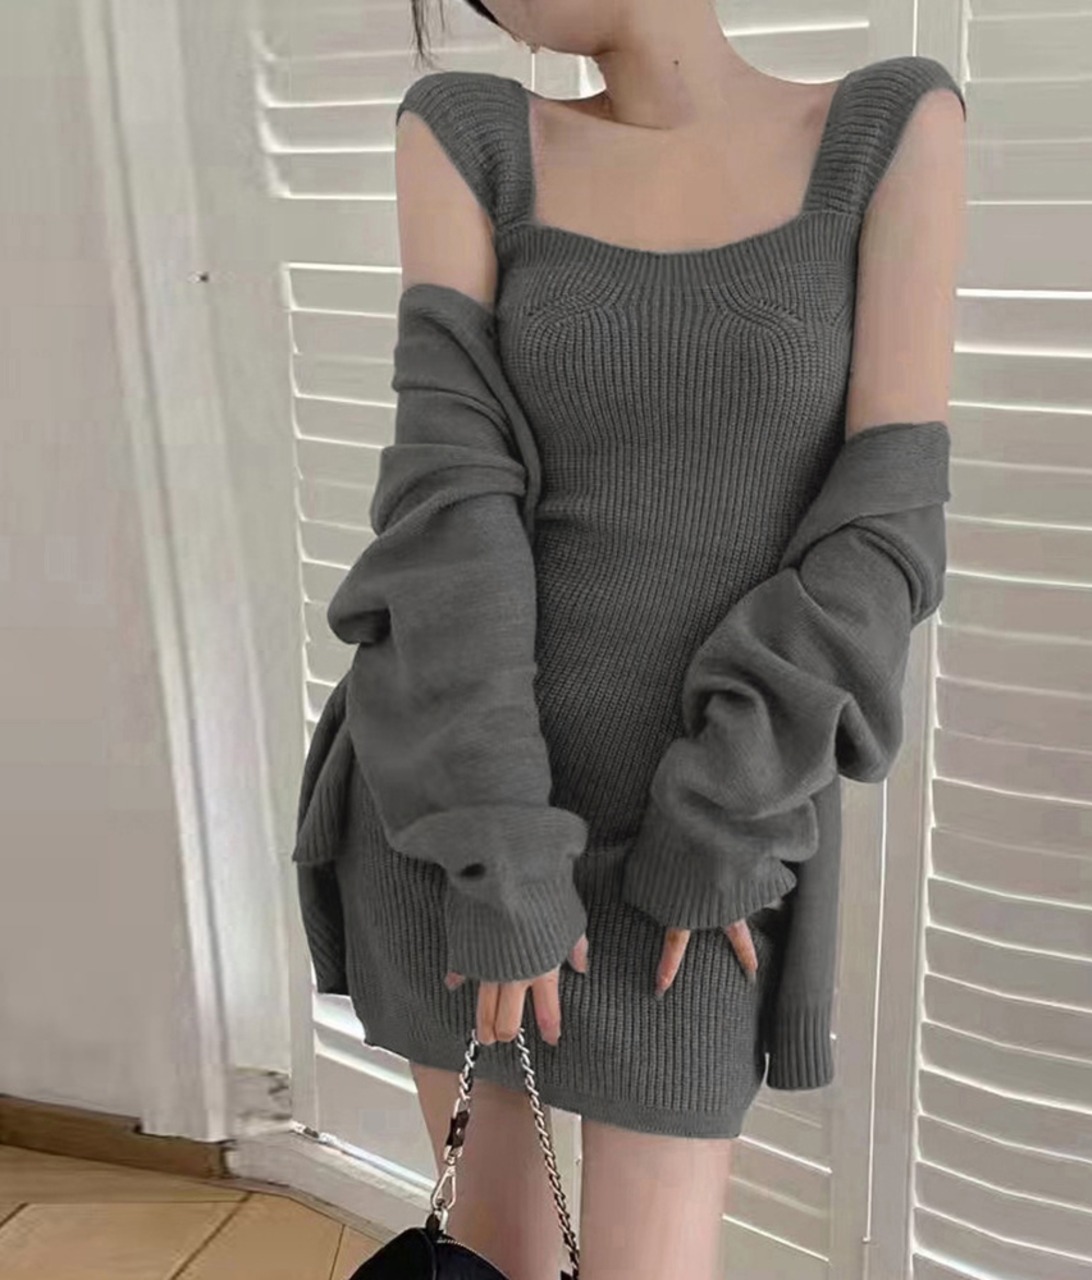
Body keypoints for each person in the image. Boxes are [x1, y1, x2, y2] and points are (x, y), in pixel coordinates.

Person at [343, 1, 963, 1275]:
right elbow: (448, 503)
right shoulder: (467, 136)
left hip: (707, 821)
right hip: (463, 806)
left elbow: (884, 517)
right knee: (493, 1261)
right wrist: (497, 840)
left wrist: (727, 808)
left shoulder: (888, 125)